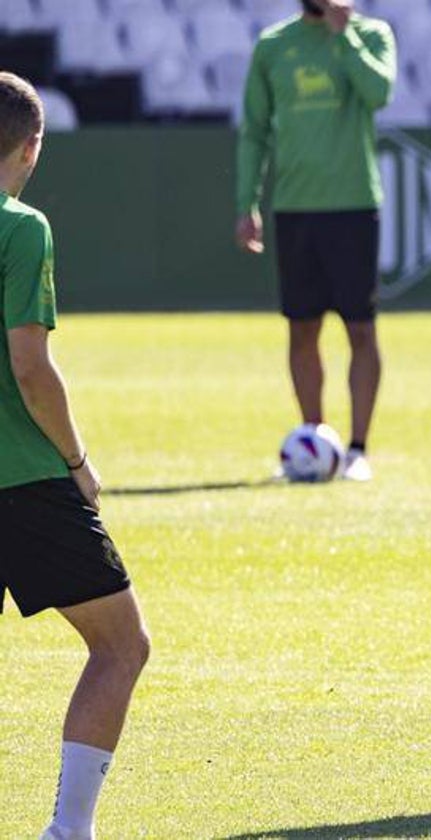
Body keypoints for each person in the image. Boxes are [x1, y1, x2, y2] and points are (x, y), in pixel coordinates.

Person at [0, 72, 151, 840]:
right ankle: (70, 829)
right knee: (121, 644)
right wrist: (78, 461)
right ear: (32, 146)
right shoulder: (22, 227)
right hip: (21, 479)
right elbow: (31, 368)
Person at [235, 0, 397, 481]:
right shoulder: (273, 46)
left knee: (360, 329)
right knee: (301, 328)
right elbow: (255, 130)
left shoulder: (371, 34)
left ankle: (358, 449)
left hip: (352, 204)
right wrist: (247, 203)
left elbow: (378, 93)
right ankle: (313, 439)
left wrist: (343, 33)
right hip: (295, 208)